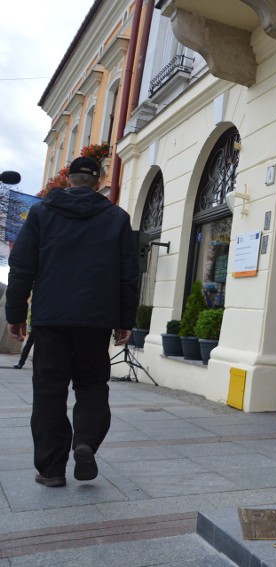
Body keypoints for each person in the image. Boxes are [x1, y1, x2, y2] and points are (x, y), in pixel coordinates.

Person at [5, 156, 139, 488]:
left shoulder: (42, 213)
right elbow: (128, 276)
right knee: (92, 385)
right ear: (98, 182)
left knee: (49, 392)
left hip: (51, 318)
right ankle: (85, 442)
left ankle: (51, 470)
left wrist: (16, 315)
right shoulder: (117, 219)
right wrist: (125, 320)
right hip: (96, 321)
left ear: (68, 179)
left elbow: (22, 266)